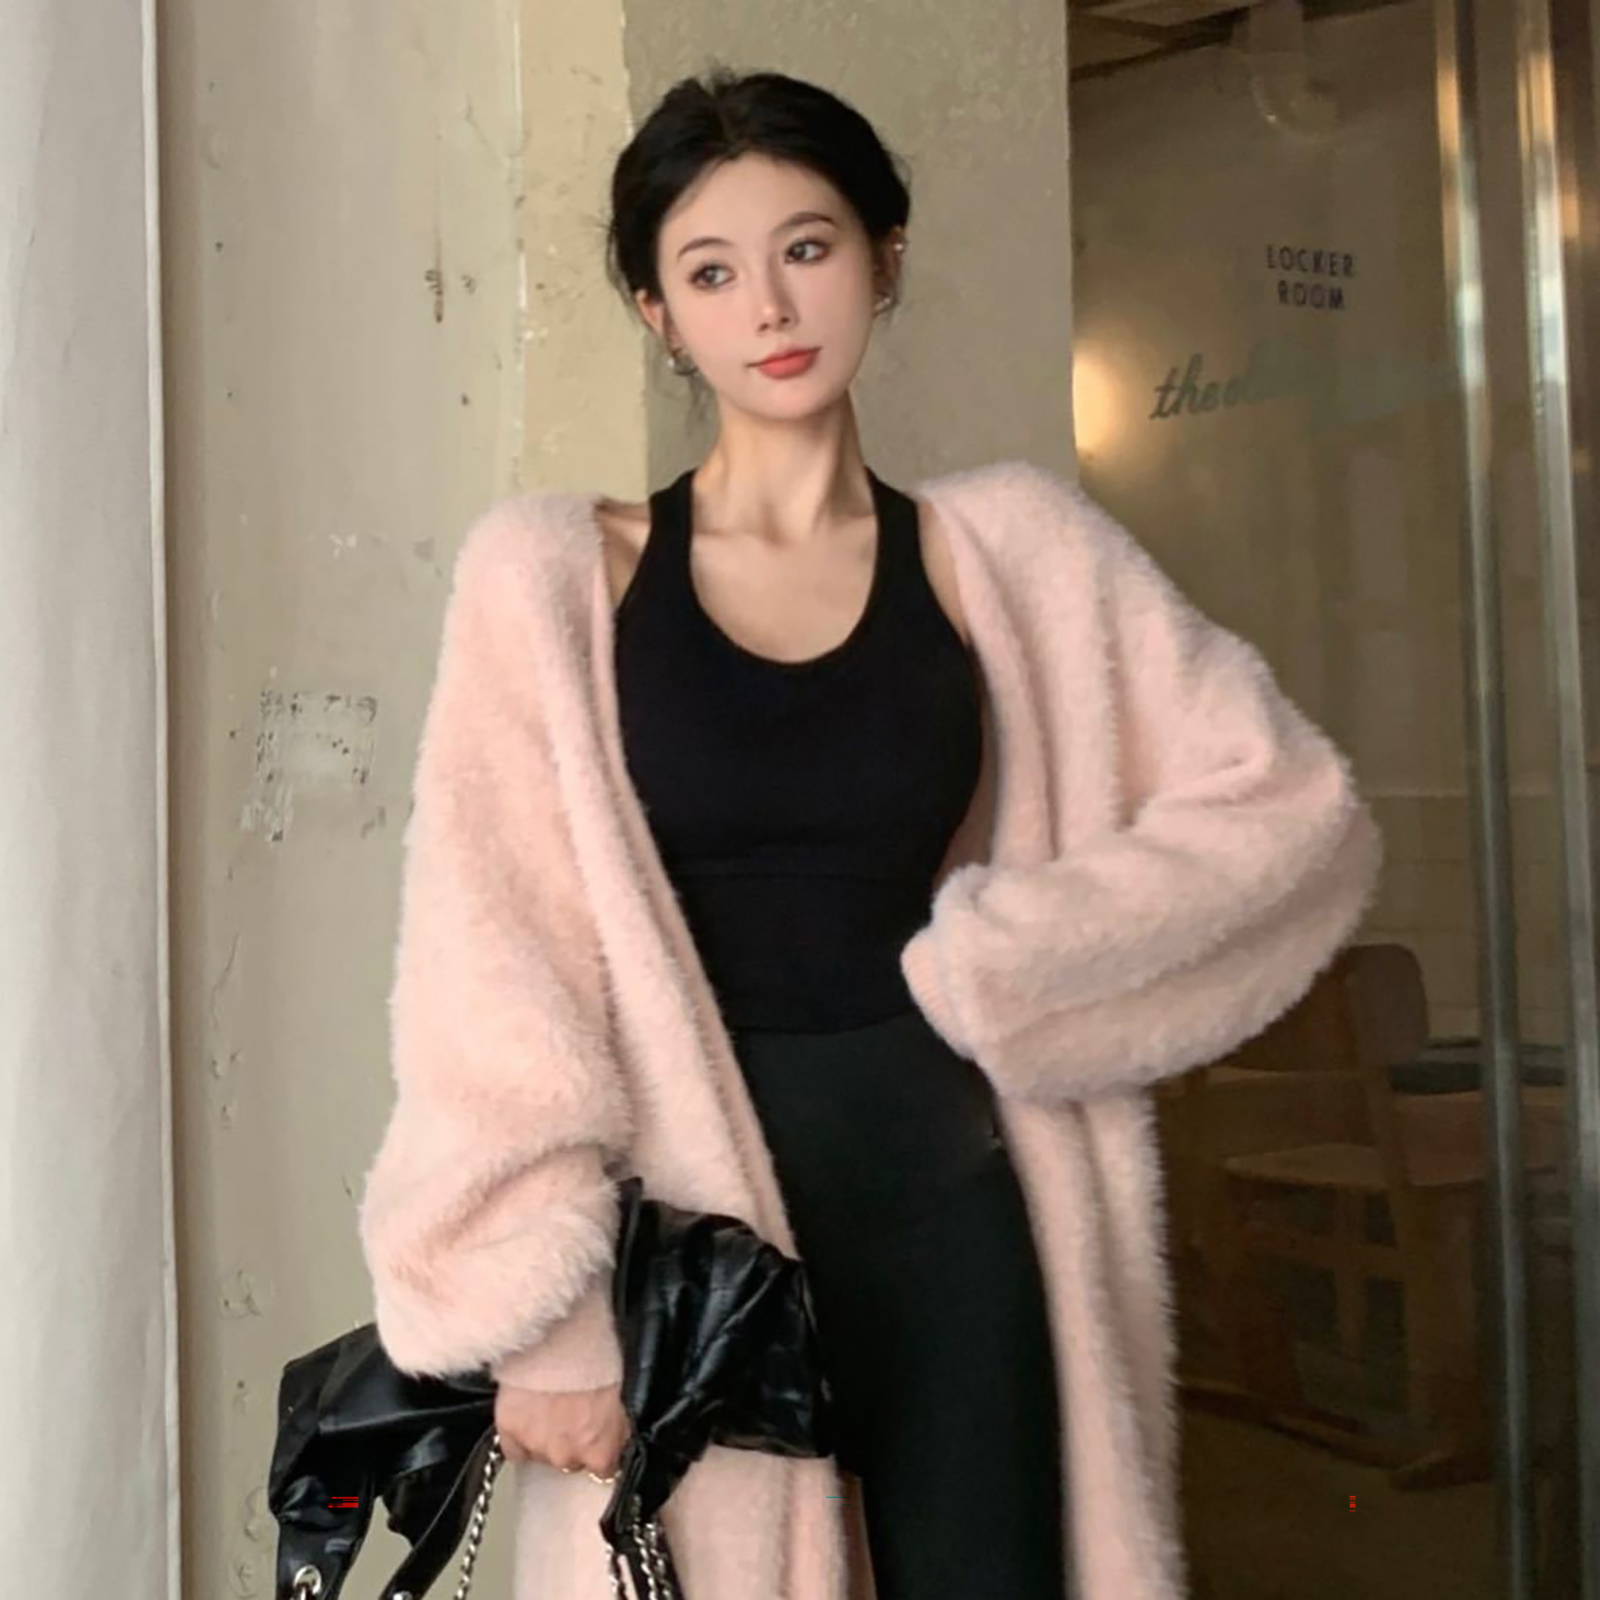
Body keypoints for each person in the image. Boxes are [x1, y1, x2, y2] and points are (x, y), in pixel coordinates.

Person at [358, 65, 1382, 1600]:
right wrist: (544, 1312)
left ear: (884, 256)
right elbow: (488, 959)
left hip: (952, 1195)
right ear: (657, 311)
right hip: (688, 1238)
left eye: (808, 247)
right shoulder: (557, 576)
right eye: (711, 271)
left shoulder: (1011, 551)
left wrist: (1020, 968)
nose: (769, 306)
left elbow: (1288, 807)